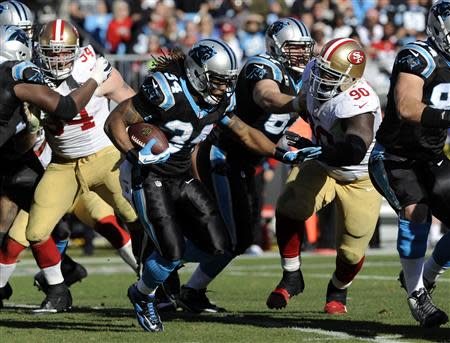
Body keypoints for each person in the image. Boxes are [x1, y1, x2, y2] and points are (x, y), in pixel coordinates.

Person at [104, 38, 320, 332]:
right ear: (196, 73)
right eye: (218, 81)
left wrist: (282, 153)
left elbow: (244, 132)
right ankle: (143, 295)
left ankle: (158, 255)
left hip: (181, 175)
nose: (224, 88)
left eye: (227, 81)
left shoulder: (221, 97)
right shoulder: (166, 89)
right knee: (172, 252)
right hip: (148, 176)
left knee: (220, 245)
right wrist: (133, 153)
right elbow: (115, 121)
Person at [176, 17, 315, 313]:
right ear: (277, 47)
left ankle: (191, 290)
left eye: (304, 48)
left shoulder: (301, 75)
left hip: (245, 162)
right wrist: (298, 103)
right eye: (293, 48)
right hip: (222, 156)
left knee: (237, 241)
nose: (301, 55)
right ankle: (164, 258)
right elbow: (267, 97)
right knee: (229, 238)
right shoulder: (262, 67)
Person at [4, 19, 138, 314]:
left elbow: (132, 104)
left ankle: (154, 284)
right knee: (28, 233)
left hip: (101, 159)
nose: (56, 59)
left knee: (127, 219)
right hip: (60, 167)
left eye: (63, 53)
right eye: (50, 53)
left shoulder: (96, 69)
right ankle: (57, 291)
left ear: (76, 52)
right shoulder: (31, 78)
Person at [267, 37, 383, 315]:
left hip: (359, 175)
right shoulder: (314, 73)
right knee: (288, 207)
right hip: (322, 161)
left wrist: (320, 149)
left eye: (330, 75)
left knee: (351, 252)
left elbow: (354, 150)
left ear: (350, 79)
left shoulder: (359, 103)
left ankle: (338, 290)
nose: (320, 77)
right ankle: (292, 275)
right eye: (320, 69)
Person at [368, 0, 450, 328]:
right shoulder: (417, 55)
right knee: (417, 210)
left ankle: (426, 276)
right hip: (395, 156)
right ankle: (417, 294)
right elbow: (406, 106)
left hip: (432, 156)